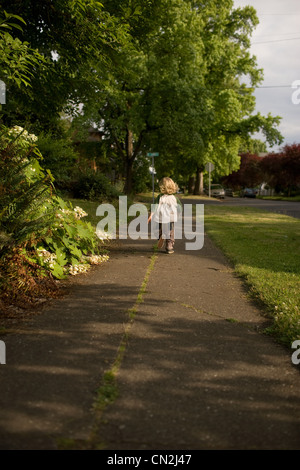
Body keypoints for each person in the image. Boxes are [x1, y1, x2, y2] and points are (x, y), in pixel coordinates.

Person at [148, 177, 182, 254]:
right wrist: (178, 214)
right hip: (170, 218)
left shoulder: (160, 197)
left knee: (158, 230)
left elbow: (155, 206)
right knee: (171, 232)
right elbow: (179, 208)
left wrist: (151, 215)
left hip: (160, 218)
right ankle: (169, 246)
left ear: (162, 187)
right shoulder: (175, 198)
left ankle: (161, 236)